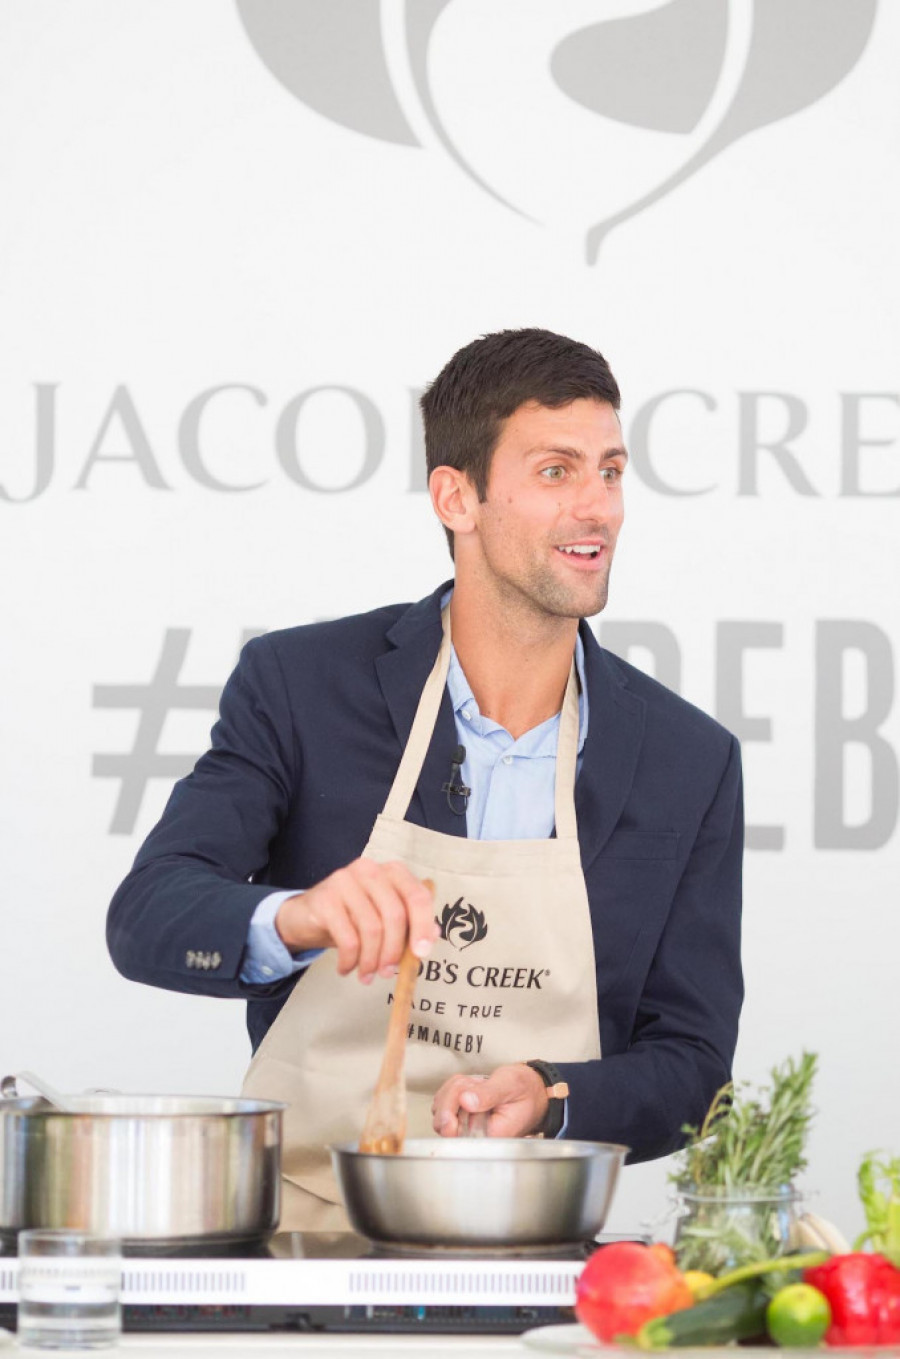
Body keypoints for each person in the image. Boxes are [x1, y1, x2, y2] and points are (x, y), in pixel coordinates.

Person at [107, 328, 743, 1230]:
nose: (597, 506)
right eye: (556, 471)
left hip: (530, 1246)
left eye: (610, 471)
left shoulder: (689, 759)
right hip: (301, 1235)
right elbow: (146, 914)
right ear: (456, 497)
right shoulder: (299, 686)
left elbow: (693, 1060)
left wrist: (552, 1095)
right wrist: (296, 916)